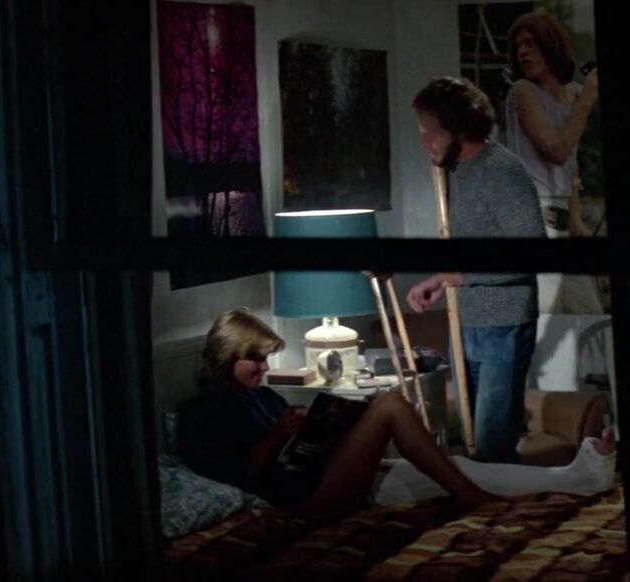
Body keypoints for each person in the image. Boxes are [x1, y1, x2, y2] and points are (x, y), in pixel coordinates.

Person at [176, 308, 615, 515]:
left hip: (325, 471)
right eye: (255, 359)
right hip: (303, 500)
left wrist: (330, 424)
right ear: (227, 354)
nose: (264, 368)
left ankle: (576, 477)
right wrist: (279, 434)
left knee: (456, 465)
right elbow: (240, 475)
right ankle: (471, 499)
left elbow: (297, 446)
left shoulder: (260, 395)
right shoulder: (203, 414)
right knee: (389, 405)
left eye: (266, 358)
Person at [406, 77, 546, 463]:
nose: (424, 141)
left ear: (458, 128)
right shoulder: (452, 170)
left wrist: (462, 277)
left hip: (503, 322)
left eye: (430, 131)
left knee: (491, 445)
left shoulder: (502, 171)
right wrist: (440, 280)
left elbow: (531, 254)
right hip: (466, 319)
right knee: (469, 440)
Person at [505, 12, 604, 314]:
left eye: (530, 43)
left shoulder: (573, 94)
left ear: (550, 45)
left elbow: (569, 163)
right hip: (533, 219)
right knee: (546, 318)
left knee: (590, 316)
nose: (523, 52)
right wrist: (586, 101)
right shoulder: (523, 91)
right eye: (518, 46)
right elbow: (556, 150)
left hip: (561, 220)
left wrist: (576, 220)